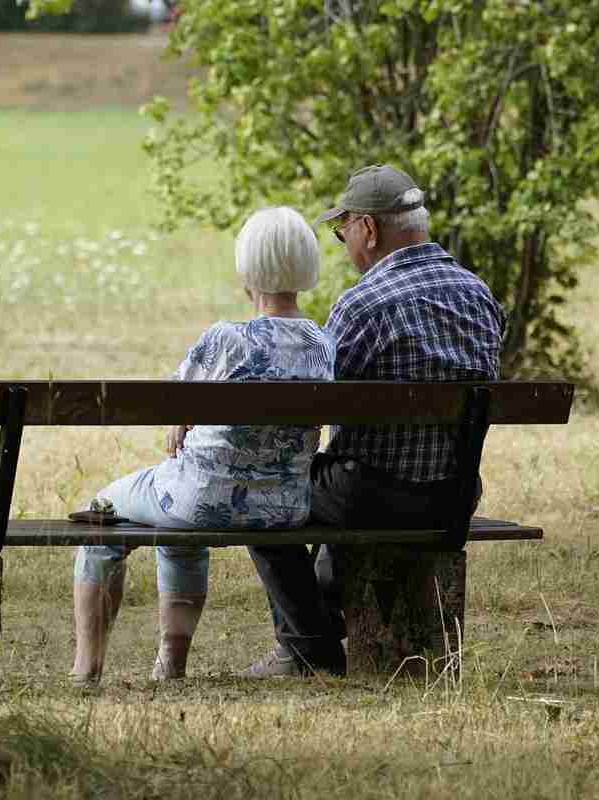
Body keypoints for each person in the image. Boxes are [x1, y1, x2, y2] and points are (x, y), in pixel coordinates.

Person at [240, 164, 505, 678]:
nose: (344, 245)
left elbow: (319, 405)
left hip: (374, 495)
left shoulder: (363, 304)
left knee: (263, 493)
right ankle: (315, 632)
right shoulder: (479, 295)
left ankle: (309, 650)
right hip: (454, 494)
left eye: (343, 233)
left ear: (368, 228)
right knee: (341, 482)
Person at [70, 206, 336, 687]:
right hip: (284, 509)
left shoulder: (226, 339)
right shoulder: (323, 344)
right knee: (178, 517)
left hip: (201, 499)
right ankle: (170, 662)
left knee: (102, 513)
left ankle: (86, 669)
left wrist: (182, 420)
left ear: (247, 270)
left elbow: (172, 402)